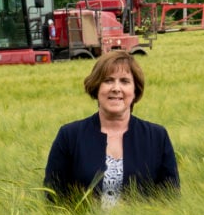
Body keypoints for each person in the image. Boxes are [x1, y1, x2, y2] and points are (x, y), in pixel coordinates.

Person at [44, 50, 179, 206]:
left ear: (135, 90)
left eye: (124, 81)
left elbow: (170, 200)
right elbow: (53, 200)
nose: (116, 88)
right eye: (108, 80)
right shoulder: (69, 136)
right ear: (96, 87)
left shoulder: (157, 137)